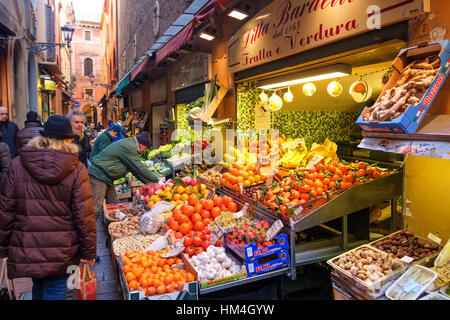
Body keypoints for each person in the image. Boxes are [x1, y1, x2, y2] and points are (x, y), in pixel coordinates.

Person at [0, 115, 96, 300]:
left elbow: (6, 210)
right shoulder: (76, 168)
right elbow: (84, 215)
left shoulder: (17, 164)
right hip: (62, 247)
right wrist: (88, 250)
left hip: (28, 243)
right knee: (56, 290)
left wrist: (3, 246)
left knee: (38, 285)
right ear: (68, 139)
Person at [88, 131, 169, 220]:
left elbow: (135, 171)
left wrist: (149, 182)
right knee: (96, 208)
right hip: (99, 175)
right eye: (145, 148)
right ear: (141, 144)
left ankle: (114, 226)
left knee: (114, 203)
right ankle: (88, 231)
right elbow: (139, 168)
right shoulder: (130, 147)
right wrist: (157, 180)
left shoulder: (131, 145)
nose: (144, 151)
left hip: (107, 176)